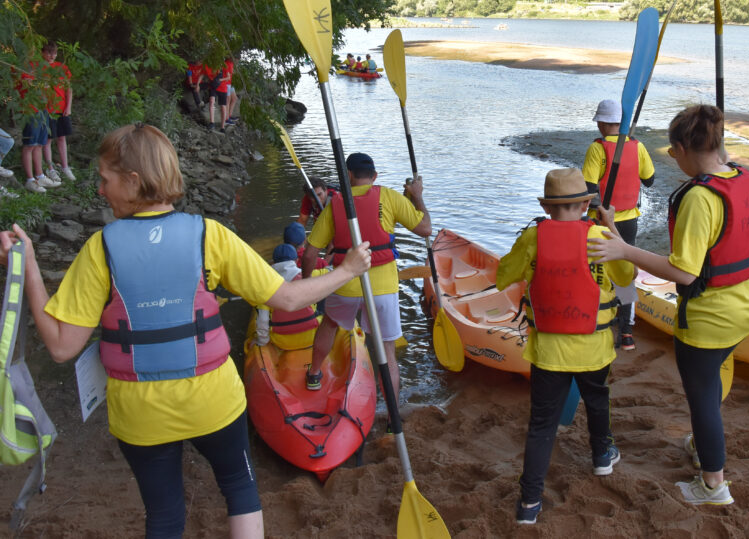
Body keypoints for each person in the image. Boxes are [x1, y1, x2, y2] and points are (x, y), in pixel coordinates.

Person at [0, 123, 371, 537]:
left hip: (141, 415)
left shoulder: (100, 249)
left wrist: (28, 264)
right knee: (240, 490)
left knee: (164, 514)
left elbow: (60, 347)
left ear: (133, 181)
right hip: (214, 401)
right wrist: (347, 270)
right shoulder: (209, 234)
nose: (100, 190)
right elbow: (286, 299)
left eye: (105, 180)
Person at [589, 104, 749, 506]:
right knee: (719, 374)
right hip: (747, 307)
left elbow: (684, 272)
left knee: (702, 397)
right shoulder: (747, 179)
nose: (674, 160)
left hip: (709, 318)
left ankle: (712, 485)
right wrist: (618, 234)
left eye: (673, 152)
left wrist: (625, 251)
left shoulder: (700, 198)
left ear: (683, 148)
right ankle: (704, 443)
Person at [497, 168, 635, 525]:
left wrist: (531, 263)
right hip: (595, 348)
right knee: (597, 398)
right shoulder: (601, 235)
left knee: (542, 425)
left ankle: (529, 504)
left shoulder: (532, 237)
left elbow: (502, 277)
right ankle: (602, 457)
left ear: (545, 205)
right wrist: (613, 227)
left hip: (548, 353)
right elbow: (627, 278)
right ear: (587, 203)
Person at [302, 153, 430, 405]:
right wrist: (417, 197)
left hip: (345, 284)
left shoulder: (335, 205)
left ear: (348, 175)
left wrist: (308, 285)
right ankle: (393, 411)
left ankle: (314, 374)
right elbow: (425, 228)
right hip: (383, 290)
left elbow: (309, 252)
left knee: (328, 323)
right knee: (388, 350)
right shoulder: (390, 196)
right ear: (374, 177)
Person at [582, 99, 655, 350]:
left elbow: (590, 189)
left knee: (595, 270)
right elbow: (650, 180)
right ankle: (626, 333)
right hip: (629, 221)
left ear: (602, 123)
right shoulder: (637, 145)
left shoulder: (597, 148)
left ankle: (595, 323)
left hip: (602, 219)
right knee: (625, 274)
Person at [252, 243, 327, 350]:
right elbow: (330, 272)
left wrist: (261, 342)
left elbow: (263, 321)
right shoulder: (308, 276)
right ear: (296, 261)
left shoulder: (265, 287)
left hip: (281, 342)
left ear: (273, 262)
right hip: (312, 336)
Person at [15, 56, 61, 193]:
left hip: (42, 109)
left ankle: (40, 175)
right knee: (29, 145)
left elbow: (47, 85)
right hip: (30, 110)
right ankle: (30, 180)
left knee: (40, 144)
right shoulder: (20, 70)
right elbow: (34, 84)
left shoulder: (39, 71)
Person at [40, 42, 76, 182]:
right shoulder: (40, 68)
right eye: (48, 52)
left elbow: (68, 88)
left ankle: (65, 167)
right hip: (47, 109)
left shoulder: (62, 68)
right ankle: (50, 169)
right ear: (43, 53)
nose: (51, 56)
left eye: (54, 53)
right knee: (48, 139)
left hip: (61, 108)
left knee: (62, 138)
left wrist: (68, 106)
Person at [208, 57, 232, 132]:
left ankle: (222, 127)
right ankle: (212, 122)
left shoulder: (224, 66)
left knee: (223, 106)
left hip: (222, 88)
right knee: (212, 101)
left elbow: (228, 77)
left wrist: (219, 80)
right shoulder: (212, 66)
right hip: (214, 86)